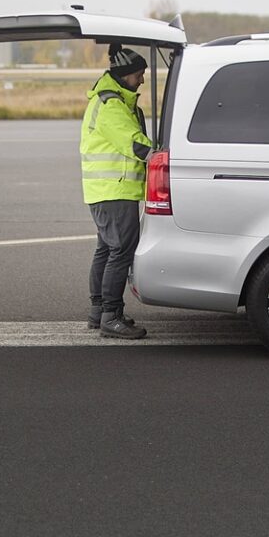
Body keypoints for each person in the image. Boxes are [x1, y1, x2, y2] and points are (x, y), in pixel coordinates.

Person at [81, 44, 155, 339]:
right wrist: (166, 155)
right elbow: (135, 144)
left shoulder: (114, 100)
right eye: (139, 75)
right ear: (125, 76)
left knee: (106, 250)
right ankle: (111, 316)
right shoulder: (112, 106)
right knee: (121, 251)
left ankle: (98, 312)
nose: (142, 81)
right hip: (114, 190)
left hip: (105, 190)